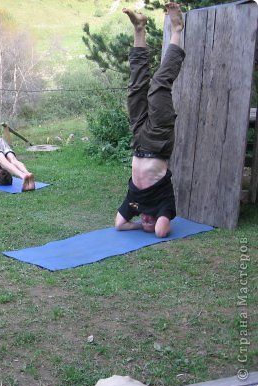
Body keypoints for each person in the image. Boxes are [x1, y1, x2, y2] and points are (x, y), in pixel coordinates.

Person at [115, 3, 185, 238]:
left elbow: (119, 224)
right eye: (149, 222)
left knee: (136, 87)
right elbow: (161, 232)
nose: (145, 221)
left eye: (143, 223)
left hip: (138, 139)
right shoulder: (164, 205)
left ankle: (139, 29)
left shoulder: (135, 203)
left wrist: (137, 225)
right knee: (158, 87)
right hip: (158, 142)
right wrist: (152, 225)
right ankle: (177, 30)